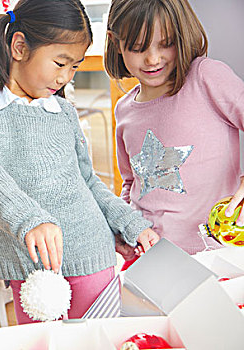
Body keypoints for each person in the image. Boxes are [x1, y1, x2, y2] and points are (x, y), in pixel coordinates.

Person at [0, 0, 159, 324]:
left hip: (91, 253)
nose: (66, 77)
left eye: (75, 67)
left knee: (95, 343)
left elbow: (88, 181)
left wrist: (128, 223)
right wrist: (30, 219)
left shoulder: (63, 112)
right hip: (30, 268)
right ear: (19, 46)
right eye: (60, 63)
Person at [104, 0, 244, 266]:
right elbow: (131, 183)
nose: (153, 58)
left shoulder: (205, 77)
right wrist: (124, 226)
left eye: (166, 43)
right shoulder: (124, 110)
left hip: (215, 255)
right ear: (116, 42)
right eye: (137, 48)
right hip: (150, 258)